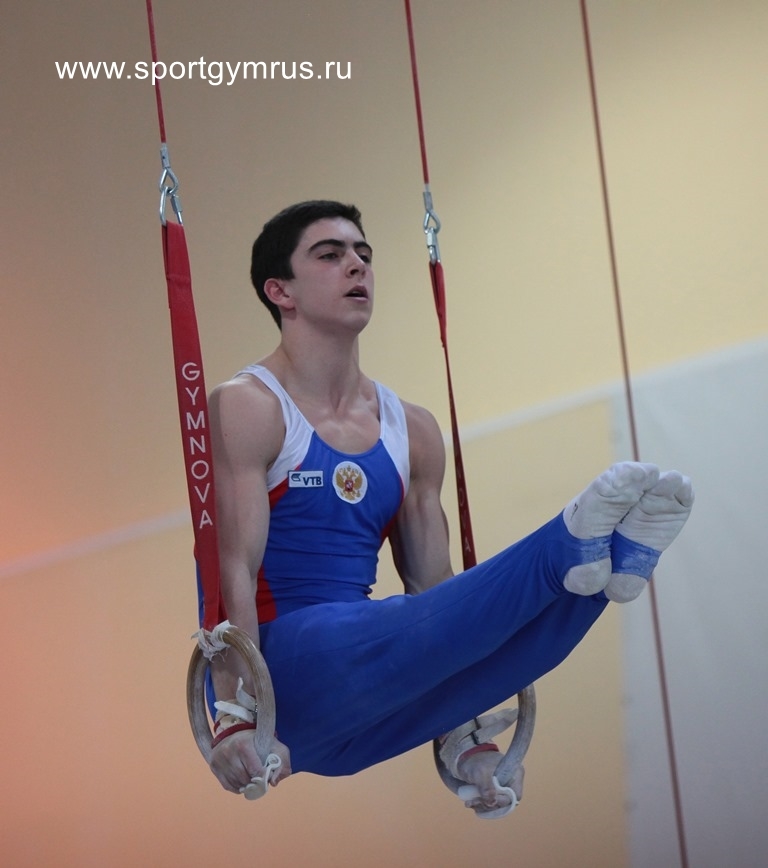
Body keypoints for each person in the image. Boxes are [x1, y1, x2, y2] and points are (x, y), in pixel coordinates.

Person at [204, 200, 694, 816]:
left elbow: (438, 600)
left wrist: (471, 743)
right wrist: (235, 714)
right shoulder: (249, 405)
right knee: (416, 620)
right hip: (288, 667)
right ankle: (564, 545)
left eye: (363, 254)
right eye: (330, 255)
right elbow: (231, 570)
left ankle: (604, 571)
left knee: (508, 641)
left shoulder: (411, 428)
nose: (357, 265)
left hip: (353, 719)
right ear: (281, 291)